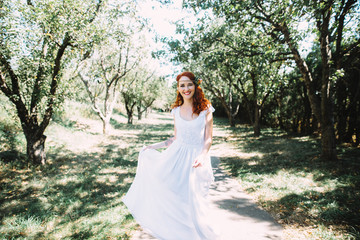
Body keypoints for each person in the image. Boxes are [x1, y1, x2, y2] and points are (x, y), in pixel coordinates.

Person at [122, 71, 219, 240]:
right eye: (182, 85)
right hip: (176, 158)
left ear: (195, 85)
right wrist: (154, 146)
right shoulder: (175, 110)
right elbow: (175, 138)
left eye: (189, 84)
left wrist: (203, 156)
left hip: (197, 159)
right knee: (176, 199)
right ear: (178, 88)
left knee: (196, 203)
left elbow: (208, 138)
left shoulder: (206, 109)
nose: (186, 88)